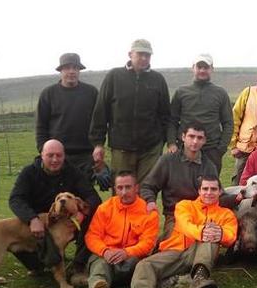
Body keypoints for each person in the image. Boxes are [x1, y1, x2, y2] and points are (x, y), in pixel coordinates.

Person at [123, 176, 237, 288]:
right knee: (145, 264)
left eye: (213, 189)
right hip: (175, 251)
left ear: (220, 192)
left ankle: (200, 278)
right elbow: (185, 225)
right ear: (199, 191)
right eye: (205, 189)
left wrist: (221, 234)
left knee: (212, 235)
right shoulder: (184, 205)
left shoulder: (226, 214)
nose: (209, 193)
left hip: (202, 254)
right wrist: (202, 231)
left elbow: (231, 236)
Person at [8, 139, 102, 277]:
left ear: (64, 156)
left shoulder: (73, 172)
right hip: (38, 224)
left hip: (66, 223)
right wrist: (32, 219)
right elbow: (15, 199)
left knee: (93, 218)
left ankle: (79, 265)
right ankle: (37, 265)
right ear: (42, 155)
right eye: (50, 155)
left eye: (59, 155)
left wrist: (82, 214)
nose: (55, 159)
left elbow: (93, 197)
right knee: (15, 228)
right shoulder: (29, 172)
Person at [89, 39, 171, 183]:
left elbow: (165, 115)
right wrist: (98, 143)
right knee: (122, 190)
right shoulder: (114, 77)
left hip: (150, 148)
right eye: (140, 54)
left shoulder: (158, 79)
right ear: (130, 54)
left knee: (146, 190)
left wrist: (165, 141)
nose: (144, 58)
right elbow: (101, 112)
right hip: (122, 147)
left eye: (148, 55)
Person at [85, 171, 159, 288]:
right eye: (120, 188)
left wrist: (127, 252)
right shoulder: (105, 208)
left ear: (136, 188)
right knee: (99, 265)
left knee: (140, 266)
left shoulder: (149, 212)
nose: (124, 192)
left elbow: (148, 242)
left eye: (128, 187)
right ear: (115, 189)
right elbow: (92, 236)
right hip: (106, 257)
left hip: (131, 260)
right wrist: (105, 251)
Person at [141, 123, 218, 240]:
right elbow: (147, 186)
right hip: (174, 215)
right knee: (176, 243)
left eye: (199, 138)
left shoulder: (209, 166)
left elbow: (217, 194)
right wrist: (150, 201)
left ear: (205, 141)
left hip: (201, 215)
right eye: (191, 136)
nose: (195, 141)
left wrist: (236, 198)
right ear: (183, 137)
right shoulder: (167, 161)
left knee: (206, 240)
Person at [35, 53, 99, 182]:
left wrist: (98, 149)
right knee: (59, 198)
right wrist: (44, 152)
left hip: (85, 157)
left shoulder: (91, 93)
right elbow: (41, 127)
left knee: (82, 199)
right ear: (60, 70)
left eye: (75, 68)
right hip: (57, 157)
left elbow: (99, 124)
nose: (71, 72)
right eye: (67, 68)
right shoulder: (48, 94)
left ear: (79, 70)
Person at [167, 54, 233, 174]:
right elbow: (172, 120)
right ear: (193, 68)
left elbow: (228, 123)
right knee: (181, 187)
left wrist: (220, 149)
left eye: (206, 67)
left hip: (211, 151)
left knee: (209, 189)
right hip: (184, 150)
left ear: (212, 69)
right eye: (199, 67)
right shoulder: (181, 92)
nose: (202, 70)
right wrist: (171, 143)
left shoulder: (220, 93)